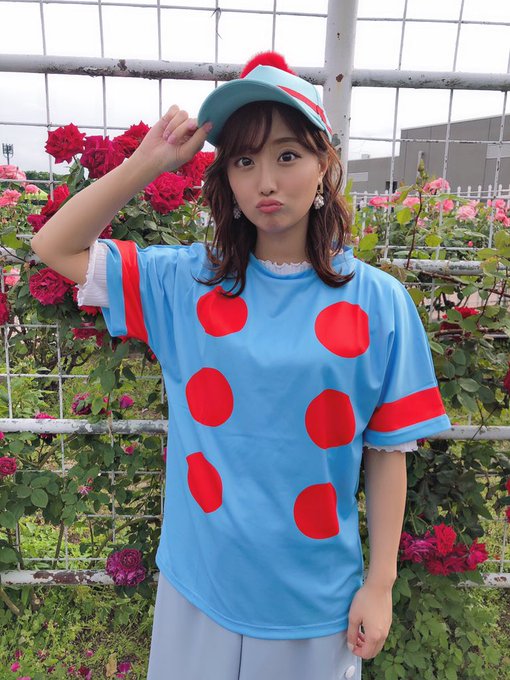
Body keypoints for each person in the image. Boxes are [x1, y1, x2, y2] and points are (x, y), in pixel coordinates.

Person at [31, 51, 451, 680]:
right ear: (225, 176)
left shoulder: (380, 303)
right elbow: (53, 245)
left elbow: (388, 450)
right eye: (244, 161)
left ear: (324, 163)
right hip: (199, 585)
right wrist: (149, 162)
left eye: (288, 155)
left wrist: (380, 584)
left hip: (314, 602)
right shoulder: (184, 282)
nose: (266, 182)